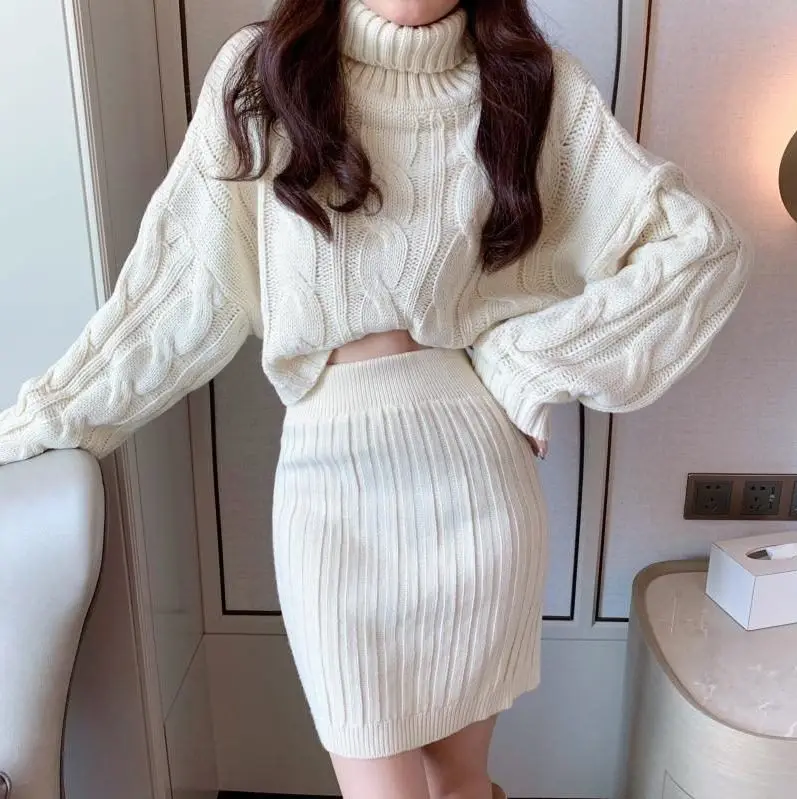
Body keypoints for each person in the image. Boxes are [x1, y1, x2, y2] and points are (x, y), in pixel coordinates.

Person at [0, 0, 750, 796]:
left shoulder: (530, 84)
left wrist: (528, 366)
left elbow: (701, 250)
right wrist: (43, 418)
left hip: (476, 480)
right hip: (329, 494)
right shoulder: (264, 74)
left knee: (460, 785)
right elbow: (175, 293)